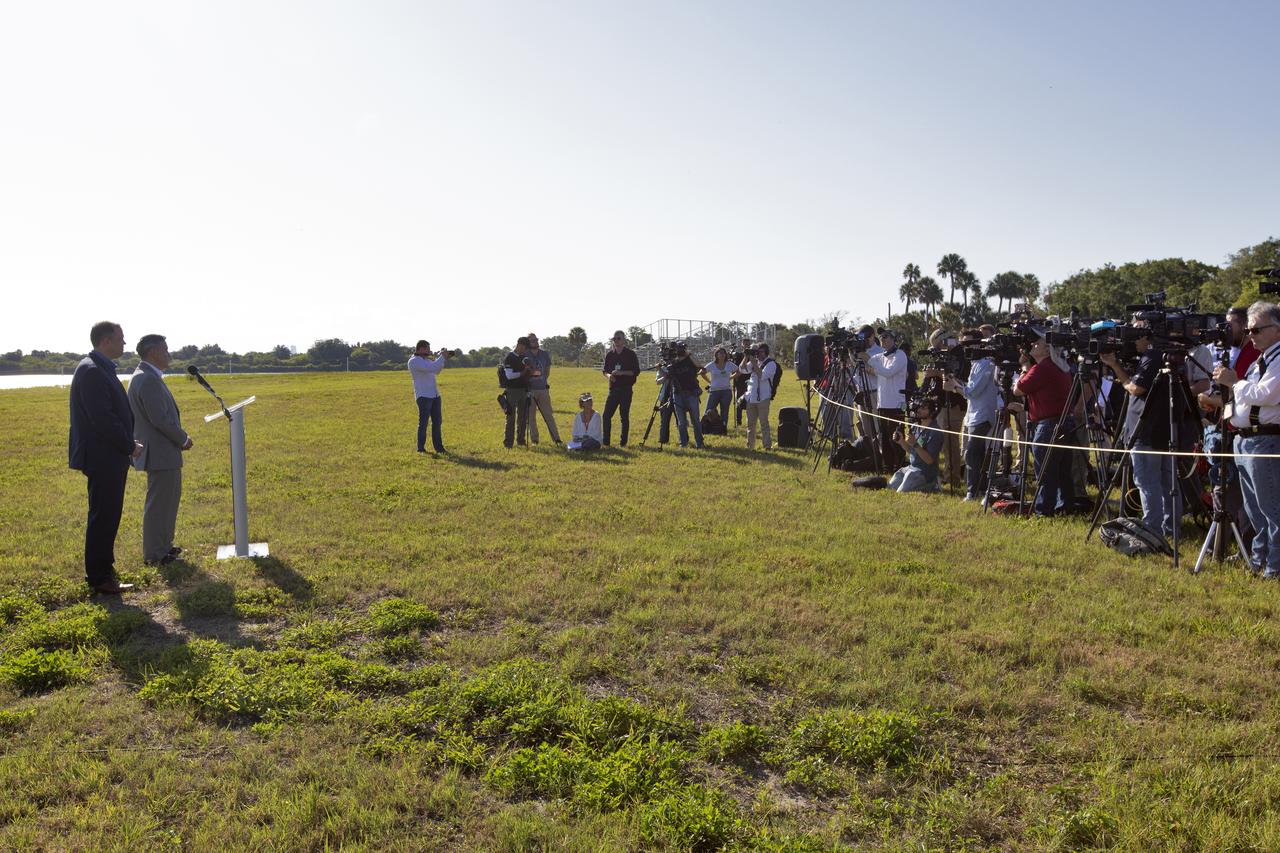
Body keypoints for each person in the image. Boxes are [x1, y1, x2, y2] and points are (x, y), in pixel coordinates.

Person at [69, 321, 143, 594]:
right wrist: (128, 445)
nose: (125, 344)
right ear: (105, 341)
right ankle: (100, 578)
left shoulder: (98, 368)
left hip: (108, 455)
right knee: (104, 515)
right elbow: (102, 419)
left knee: (108, 514)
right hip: (103, 457)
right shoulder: (91, 371)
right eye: (120, 339)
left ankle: (104, 571)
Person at [1214, 302, 1280, 578]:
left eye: (1256, 329)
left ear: (1276, 329)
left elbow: (1267, 394)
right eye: (1249, 329)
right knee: (1253, 510)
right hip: (1245, 440)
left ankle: (1274, 567)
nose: (1250, 335)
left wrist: (1234, 382)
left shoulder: (1277, 359)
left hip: (1265, 440)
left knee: (1271, 508)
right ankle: (1259, 560)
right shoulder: (1261, 358)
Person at [127, 334, 193, 567]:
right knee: (159, 505)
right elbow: (160, 420)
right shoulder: (147, 379)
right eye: (165, 349)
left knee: (167, 502)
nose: (169, 353)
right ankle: (155, 553)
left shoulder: (147, 376)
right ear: (153, 352)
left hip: (161, 452)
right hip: (160, 452)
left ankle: (163, 547)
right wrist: (183, 438)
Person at [1014, 332, 1077, 517]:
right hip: (1064, 422)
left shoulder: (1042, 368)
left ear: (1047, 349)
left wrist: (1025, 366)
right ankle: (1065, 506)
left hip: (1048, 424)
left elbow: (1018, 389)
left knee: (1046, 471)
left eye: (1037, 343)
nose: (1033, 345)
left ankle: (1044, 511)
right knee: (1062, 469)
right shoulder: (1060, 366)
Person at [945, 328, 999, 501]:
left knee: (974, 455)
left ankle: (974, 491)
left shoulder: (986, 364)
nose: (966, 348)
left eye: (969, 343)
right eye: (963, 344)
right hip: (972, 415)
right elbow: (970, 388)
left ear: (979, 343)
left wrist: (954, 386)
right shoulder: (976, 363)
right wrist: (957, 381)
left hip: (983, 416)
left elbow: (972, 392)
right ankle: (976, 490)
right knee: (970, 454)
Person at [921, 329, 968, 491]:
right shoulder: (943, 355)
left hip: (954, 404)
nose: (940, 348)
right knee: (943, 443)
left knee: (950, 442)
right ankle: (947, 473)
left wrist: (937, 372)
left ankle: (953, 477)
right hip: (941, 404)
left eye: (940, 344)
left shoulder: (961, 354)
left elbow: (958, 376)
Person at [863, 330, 907, 470]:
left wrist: (872, 366)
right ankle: (888, 465)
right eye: (881, 337)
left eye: (886, 336)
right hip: (882, 403)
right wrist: (856, 352)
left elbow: (888, 372)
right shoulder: (880, 356)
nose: (883, 339)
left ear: (894, 339)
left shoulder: (900, 355)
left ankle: (899, 464)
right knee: (884, 437)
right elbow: (866, 359)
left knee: (896, 436)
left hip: (896, 403)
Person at [888, 397, 946, 493]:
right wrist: (901, 441)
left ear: (932, 413)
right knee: (891, 487)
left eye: (923, 408)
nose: (919, 410)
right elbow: (911, 450)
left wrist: (915, 444)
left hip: (925, 472)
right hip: (911, 468)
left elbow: (929, 460)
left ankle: (932, 484)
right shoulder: (915, 426)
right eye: (919, 407)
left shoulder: (935, 432)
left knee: (901, 492)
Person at [656, 341, 704, 448]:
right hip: (677, 393)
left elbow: (700, 366)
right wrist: (660, 369)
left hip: (691, 393)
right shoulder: (673, 363)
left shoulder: (690, 360)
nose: (679, 351)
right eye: (678, 349)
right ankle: (683, 443)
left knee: (695, 420)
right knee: (681, 422)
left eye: (681, 348)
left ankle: (700, 443)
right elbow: (667, 376)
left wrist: (689, 354)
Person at [408, 340, 452, 454]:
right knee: (423, 423)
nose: (429, 351)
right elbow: (431, 368)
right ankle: (420, 448)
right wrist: (441, 357)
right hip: (423, 395)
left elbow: (436, 370)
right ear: (421, 349)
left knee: (437, 422)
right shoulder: (414, 361)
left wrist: (442, 359)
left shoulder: (427, 360)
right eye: (427, 348)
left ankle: (439, 447)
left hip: (435, 394)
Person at [601, 330, 640, 446]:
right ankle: (606, 442)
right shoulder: (610, 354)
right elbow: (605, 371)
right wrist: (609, 376)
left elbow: (636, 372)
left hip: (626, 389)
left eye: (618, 338)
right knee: (606, 416)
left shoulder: (630, 354)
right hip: (613, 389)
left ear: (624, 340)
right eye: (614, 339)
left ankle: (623, 443)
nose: (616, 341)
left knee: (624, 417)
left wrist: (621, 373)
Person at [524, 332, 561, 445]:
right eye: (532, 340)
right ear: (528, 343)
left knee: (548, 415)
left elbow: (547, 371)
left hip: (543, 389)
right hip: (530, 390)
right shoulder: (525, 355)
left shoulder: (544, 354)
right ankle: (535, 440)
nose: (535, 342)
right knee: (531, 417)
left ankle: (556, 439)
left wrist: (541, 379)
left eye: (536, 339)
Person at [741, 342, 779, 450]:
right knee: (750, 424)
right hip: (751, 397)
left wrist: (753, 361)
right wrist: (746, 357)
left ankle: (767, 446)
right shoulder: (754, 361)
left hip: (763, 397)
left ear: (766, 352)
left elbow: (762, 376)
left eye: (760, 351)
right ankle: (750, 446)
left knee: (764, 424)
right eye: (756, 351)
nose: (758, 354)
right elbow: (742, 369)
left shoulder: (770, 364)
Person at [502, 337, 535, 448]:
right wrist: (523, 372)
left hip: (524, 390)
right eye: (525, 348)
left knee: (523, 417)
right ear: (520, 345)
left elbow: (530, 371)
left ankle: (520, 440)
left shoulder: (524, 357)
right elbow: (509, 375)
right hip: (512, 391)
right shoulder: (509, 357)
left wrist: (530, 371)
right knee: (510, 417)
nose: (526, 351)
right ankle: (508, 443)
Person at [700, 347, 738, 426]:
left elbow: (738, 371)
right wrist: (709, 381)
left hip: (726, 391)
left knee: (724, 411)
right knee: (708, 410)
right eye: (720, 353)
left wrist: (730, 378)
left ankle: (723, 427)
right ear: (716, 355)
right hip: (714, 391)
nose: (722, 355)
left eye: (723, 353)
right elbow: (702, 373)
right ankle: (706, 427)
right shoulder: (712, 364)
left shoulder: (729, 364)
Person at [731, 337, 753, 426]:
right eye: (745, 344)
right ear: (742, 345)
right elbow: (736, 369)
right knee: (739, 401)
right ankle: (739, 421)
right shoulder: (738, 355)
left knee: (750, 400)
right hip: (739, 381)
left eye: (748, 344)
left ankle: (750, 420)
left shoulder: (753, 355)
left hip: (750, 381)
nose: (747, 346)